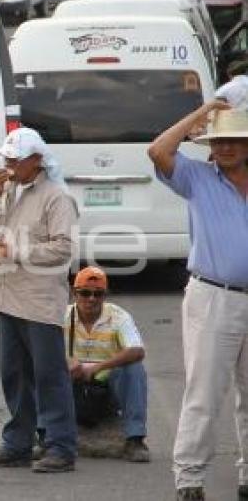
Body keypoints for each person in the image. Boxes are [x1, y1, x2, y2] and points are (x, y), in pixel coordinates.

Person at [148, 99, 248, 501]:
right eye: (217, 139)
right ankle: (189, 478)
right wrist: (199, 113)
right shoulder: (198, 178)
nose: (224, 147)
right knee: (204, 392)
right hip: (213, 296)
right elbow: (158, 150)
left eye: (234, 140)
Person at [0, 127, 79, 473]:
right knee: (13, 374)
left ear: (37, 160)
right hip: (6, 295)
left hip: (39, 299)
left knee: (49, 374)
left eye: (15, 160)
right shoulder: (6, 193)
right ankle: (18, 442)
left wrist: (17, 250)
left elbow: (64, 248)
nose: (9, 165)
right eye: (7, 159)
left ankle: (60, 445)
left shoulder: (56, 197)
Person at [64, 266, 150, 463]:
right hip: (71, 388)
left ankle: (135, 439)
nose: (91, 299)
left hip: (107, 391)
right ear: (74, 293)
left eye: (98, 294)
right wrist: (66, 362)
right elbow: (41, 348)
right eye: (85, 293)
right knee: (42, 368)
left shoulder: (118, 316)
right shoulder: (62, 315)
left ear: (105, 295)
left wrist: (98, 367)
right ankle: (44, 435)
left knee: (134, 369)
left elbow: (137, 350)